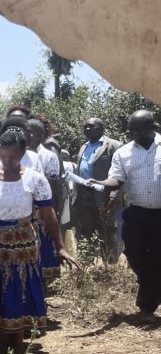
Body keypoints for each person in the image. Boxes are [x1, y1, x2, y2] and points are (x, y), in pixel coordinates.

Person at [0, 130, 80, 354]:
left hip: (22, 242)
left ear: (23, 154)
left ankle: (17, 343)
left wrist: (60, 247)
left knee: (18, 289)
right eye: (3, 156)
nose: (7, 161)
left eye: (13, 157)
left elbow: (48, 214)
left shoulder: (35, 179)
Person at [89, 110, 161, 320]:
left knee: (157, 259)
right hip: (137, 212)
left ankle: (147, 307)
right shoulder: (124, 152)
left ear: (151, 126)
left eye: (140, 130)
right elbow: (117, 180)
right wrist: (100, 183)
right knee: (134, 254)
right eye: (132, 130)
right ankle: (150, 287)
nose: (135, 134)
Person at [73, 117, 121, 263]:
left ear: (101, 128)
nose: (87, 129)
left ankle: (110, 265)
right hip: (83, 194)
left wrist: (114, 195)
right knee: (85, 229)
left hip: (104, 195)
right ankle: (86, 263)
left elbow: (121, 174)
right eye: (85, 127)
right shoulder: (84, 146)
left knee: (106, 229)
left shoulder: (114, 145)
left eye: (91, 126)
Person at [28, 116, 63, 279]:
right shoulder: (17, 153)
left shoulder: (49, 156)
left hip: (42, 209)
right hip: (24, 210)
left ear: (42, 136)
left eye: (33, 132)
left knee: (44, 244)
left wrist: (53, 212)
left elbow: (52, 188)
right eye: (26, 132)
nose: (29, 136)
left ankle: (44, 280)